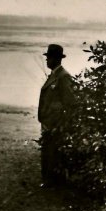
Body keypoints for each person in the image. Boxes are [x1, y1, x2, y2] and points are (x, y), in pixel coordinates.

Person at [37, 44, 75, 187]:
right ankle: (48, 180)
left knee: (53, 153)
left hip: (55, 123)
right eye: (47, 58)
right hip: (48, 122)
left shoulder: (63, 77)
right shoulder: (54, 75)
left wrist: (60, 123)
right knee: (47, 151)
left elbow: (69, 102)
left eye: (49, 58)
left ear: (56, 59)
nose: (47, 61)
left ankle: (52, 182)